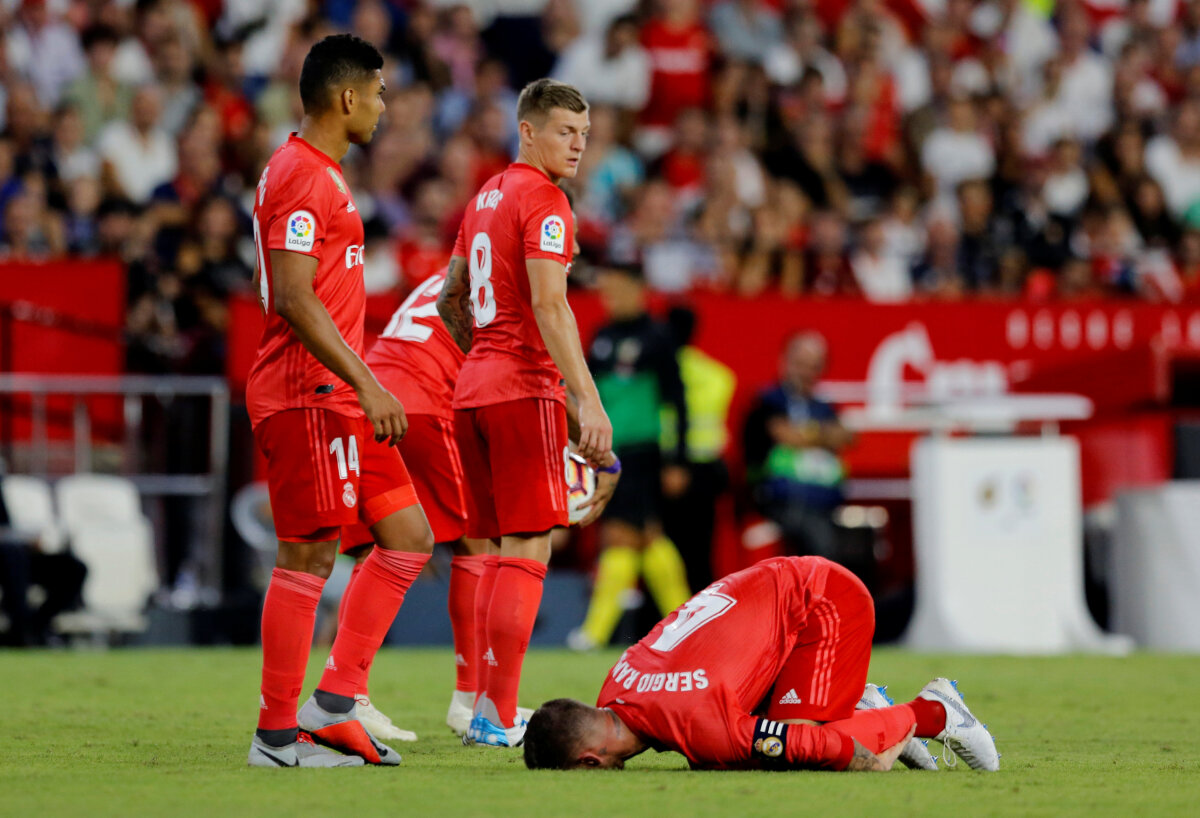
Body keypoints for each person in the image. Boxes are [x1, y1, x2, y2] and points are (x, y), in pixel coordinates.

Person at [245, 34, 435, 769]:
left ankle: (333, 703)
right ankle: (274, 737)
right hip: (308, 394)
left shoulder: (323, 173)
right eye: (381, 93)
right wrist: (367, 380)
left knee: (409, 535)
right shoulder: (301, 174)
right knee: (309, 554)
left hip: (340, 396)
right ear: (348, 96)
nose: (385, 108)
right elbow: (293, 297)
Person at [436, 78, 620, 748]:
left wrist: (482, 353)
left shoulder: (483, 197)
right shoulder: (545, 200)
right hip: (520, 388)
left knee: (491, 552)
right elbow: (550, 305)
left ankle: (484, 707)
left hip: (473, 390)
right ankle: (494, 714)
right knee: (530, 546)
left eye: (584, 132)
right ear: (528, 131)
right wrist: (588, 398)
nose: (578, 144)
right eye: (566, 131)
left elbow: (449, 299)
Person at [523, 556, 1000, 772]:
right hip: (770, 595)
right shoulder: (616, 687)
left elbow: (827, 748)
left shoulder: (704, 727)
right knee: (730, 757)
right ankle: (863, 703)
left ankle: (934, 712)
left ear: (590, 760)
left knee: (820, 757)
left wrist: (861, 743)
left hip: (825, 601)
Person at [569, 264, 691, 651]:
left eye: (618, 289)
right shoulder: (602, 336)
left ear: (639, 290)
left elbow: (678, 402)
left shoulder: (657, 337)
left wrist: (677, 459)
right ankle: (688, 623)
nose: (611, 297)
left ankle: (595, 632)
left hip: (641, 451)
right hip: (605, 450)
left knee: (621, 535)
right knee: (646, 537)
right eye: (607, 290)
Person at [742, 332, 853, 559]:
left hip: (823, 499)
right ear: (785, 361)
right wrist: (821, 434)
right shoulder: (769, 400)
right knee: (820, 543)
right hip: (782, 499)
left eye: (814, 367)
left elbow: (846, 436)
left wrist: (807, 434)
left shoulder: (824, 405)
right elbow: (786, 435)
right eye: (801, 364)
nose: (807, 373)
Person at [659, 306, 736, 592]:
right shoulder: (719, 376)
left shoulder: (659, 372)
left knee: (664, 552)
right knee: (701, 553)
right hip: (706, 470)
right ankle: (704, 617)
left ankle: (667, 619)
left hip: (666, 468)